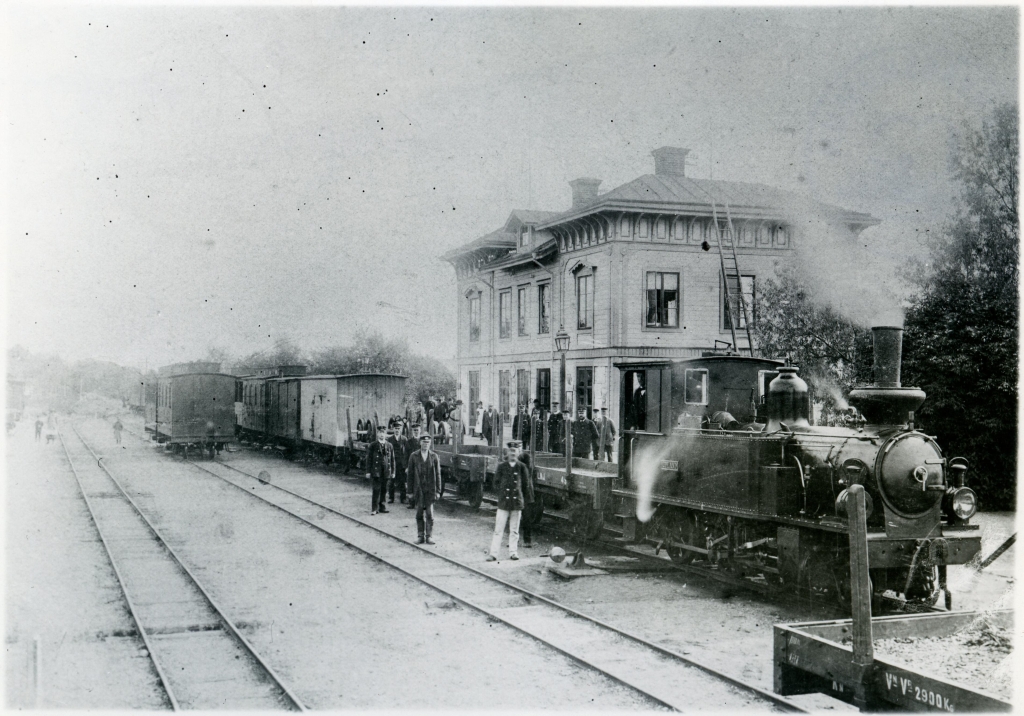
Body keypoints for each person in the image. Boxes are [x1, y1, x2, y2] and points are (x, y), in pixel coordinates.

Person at [488, 441, 534, 561]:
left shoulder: (522, 467)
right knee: (498, 529)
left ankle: (513, 552)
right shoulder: (502, 466)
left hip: (516, 503)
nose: (513, 453)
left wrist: (522, 499)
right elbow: (495, 483)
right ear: (507, 453)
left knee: (514, 530)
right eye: (511, 451)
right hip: (504, 503)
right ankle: (493, 553)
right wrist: (503, 494)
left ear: (518, 453)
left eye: (515, 451)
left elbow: (526, 485)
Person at [407, 433, 441, 544]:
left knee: (430, 514)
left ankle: (429, 536)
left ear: (430, 444)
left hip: (430, 490)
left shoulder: (434, 457)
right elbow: (410, 475)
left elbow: (438, 475)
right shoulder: (414, 456)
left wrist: (438, 491)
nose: (425, 444)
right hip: (419, 489)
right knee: (419, 513)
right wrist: (410, 491)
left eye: (427, 442)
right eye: (423, 442)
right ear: (420, 443)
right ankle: (420, 536)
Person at [365, 428, 395, 515]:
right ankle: (374, 508)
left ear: (385, 434)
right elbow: (369, 459)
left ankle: (382, 506)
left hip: (386, 471)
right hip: (376, 471)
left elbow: (393, 460)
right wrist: (368, 471)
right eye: (380, 433)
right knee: (376, 489)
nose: (382, 435)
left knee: (384, 489)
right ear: (377, 434)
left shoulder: (389, 445)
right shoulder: (373, 445)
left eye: (383, 433)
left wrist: (393, 472)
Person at [517, 449, 541, 549]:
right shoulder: (529, 470)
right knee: (527, 520)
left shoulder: (519, 469)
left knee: (516, 520)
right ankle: (527, 541)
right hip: (527, 497)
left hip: (520, 497)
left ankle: (516, 541)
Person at [387, 425, 408, 504]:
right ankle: (391, 498)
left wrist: (405, 464)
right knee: (391, 481)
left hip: (401, 464)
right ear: (393, 429)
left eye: (398, 428)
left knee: (402, 481)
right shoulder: (390, 439)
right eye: (396, 428)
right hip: (393, 463)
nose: (397, 430)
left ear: (401, 429)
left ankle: (403, 498)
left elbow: (406, 452)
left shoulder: (404, 439)